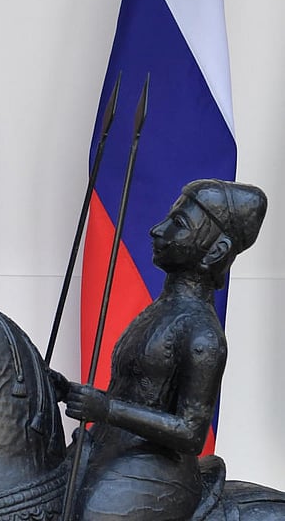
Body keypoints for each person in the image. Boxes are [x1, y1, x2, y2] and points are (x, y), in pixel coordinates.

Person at [56, 179, 267, 520]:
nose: (157, 230)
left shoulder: (202, 334)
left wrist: (107, 409)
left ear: (215, 250)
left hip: (154, 472)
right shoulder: (162, 310)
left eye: (178, 225)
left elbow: (190, 432)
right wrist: (65, 389)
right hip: (108, 450)